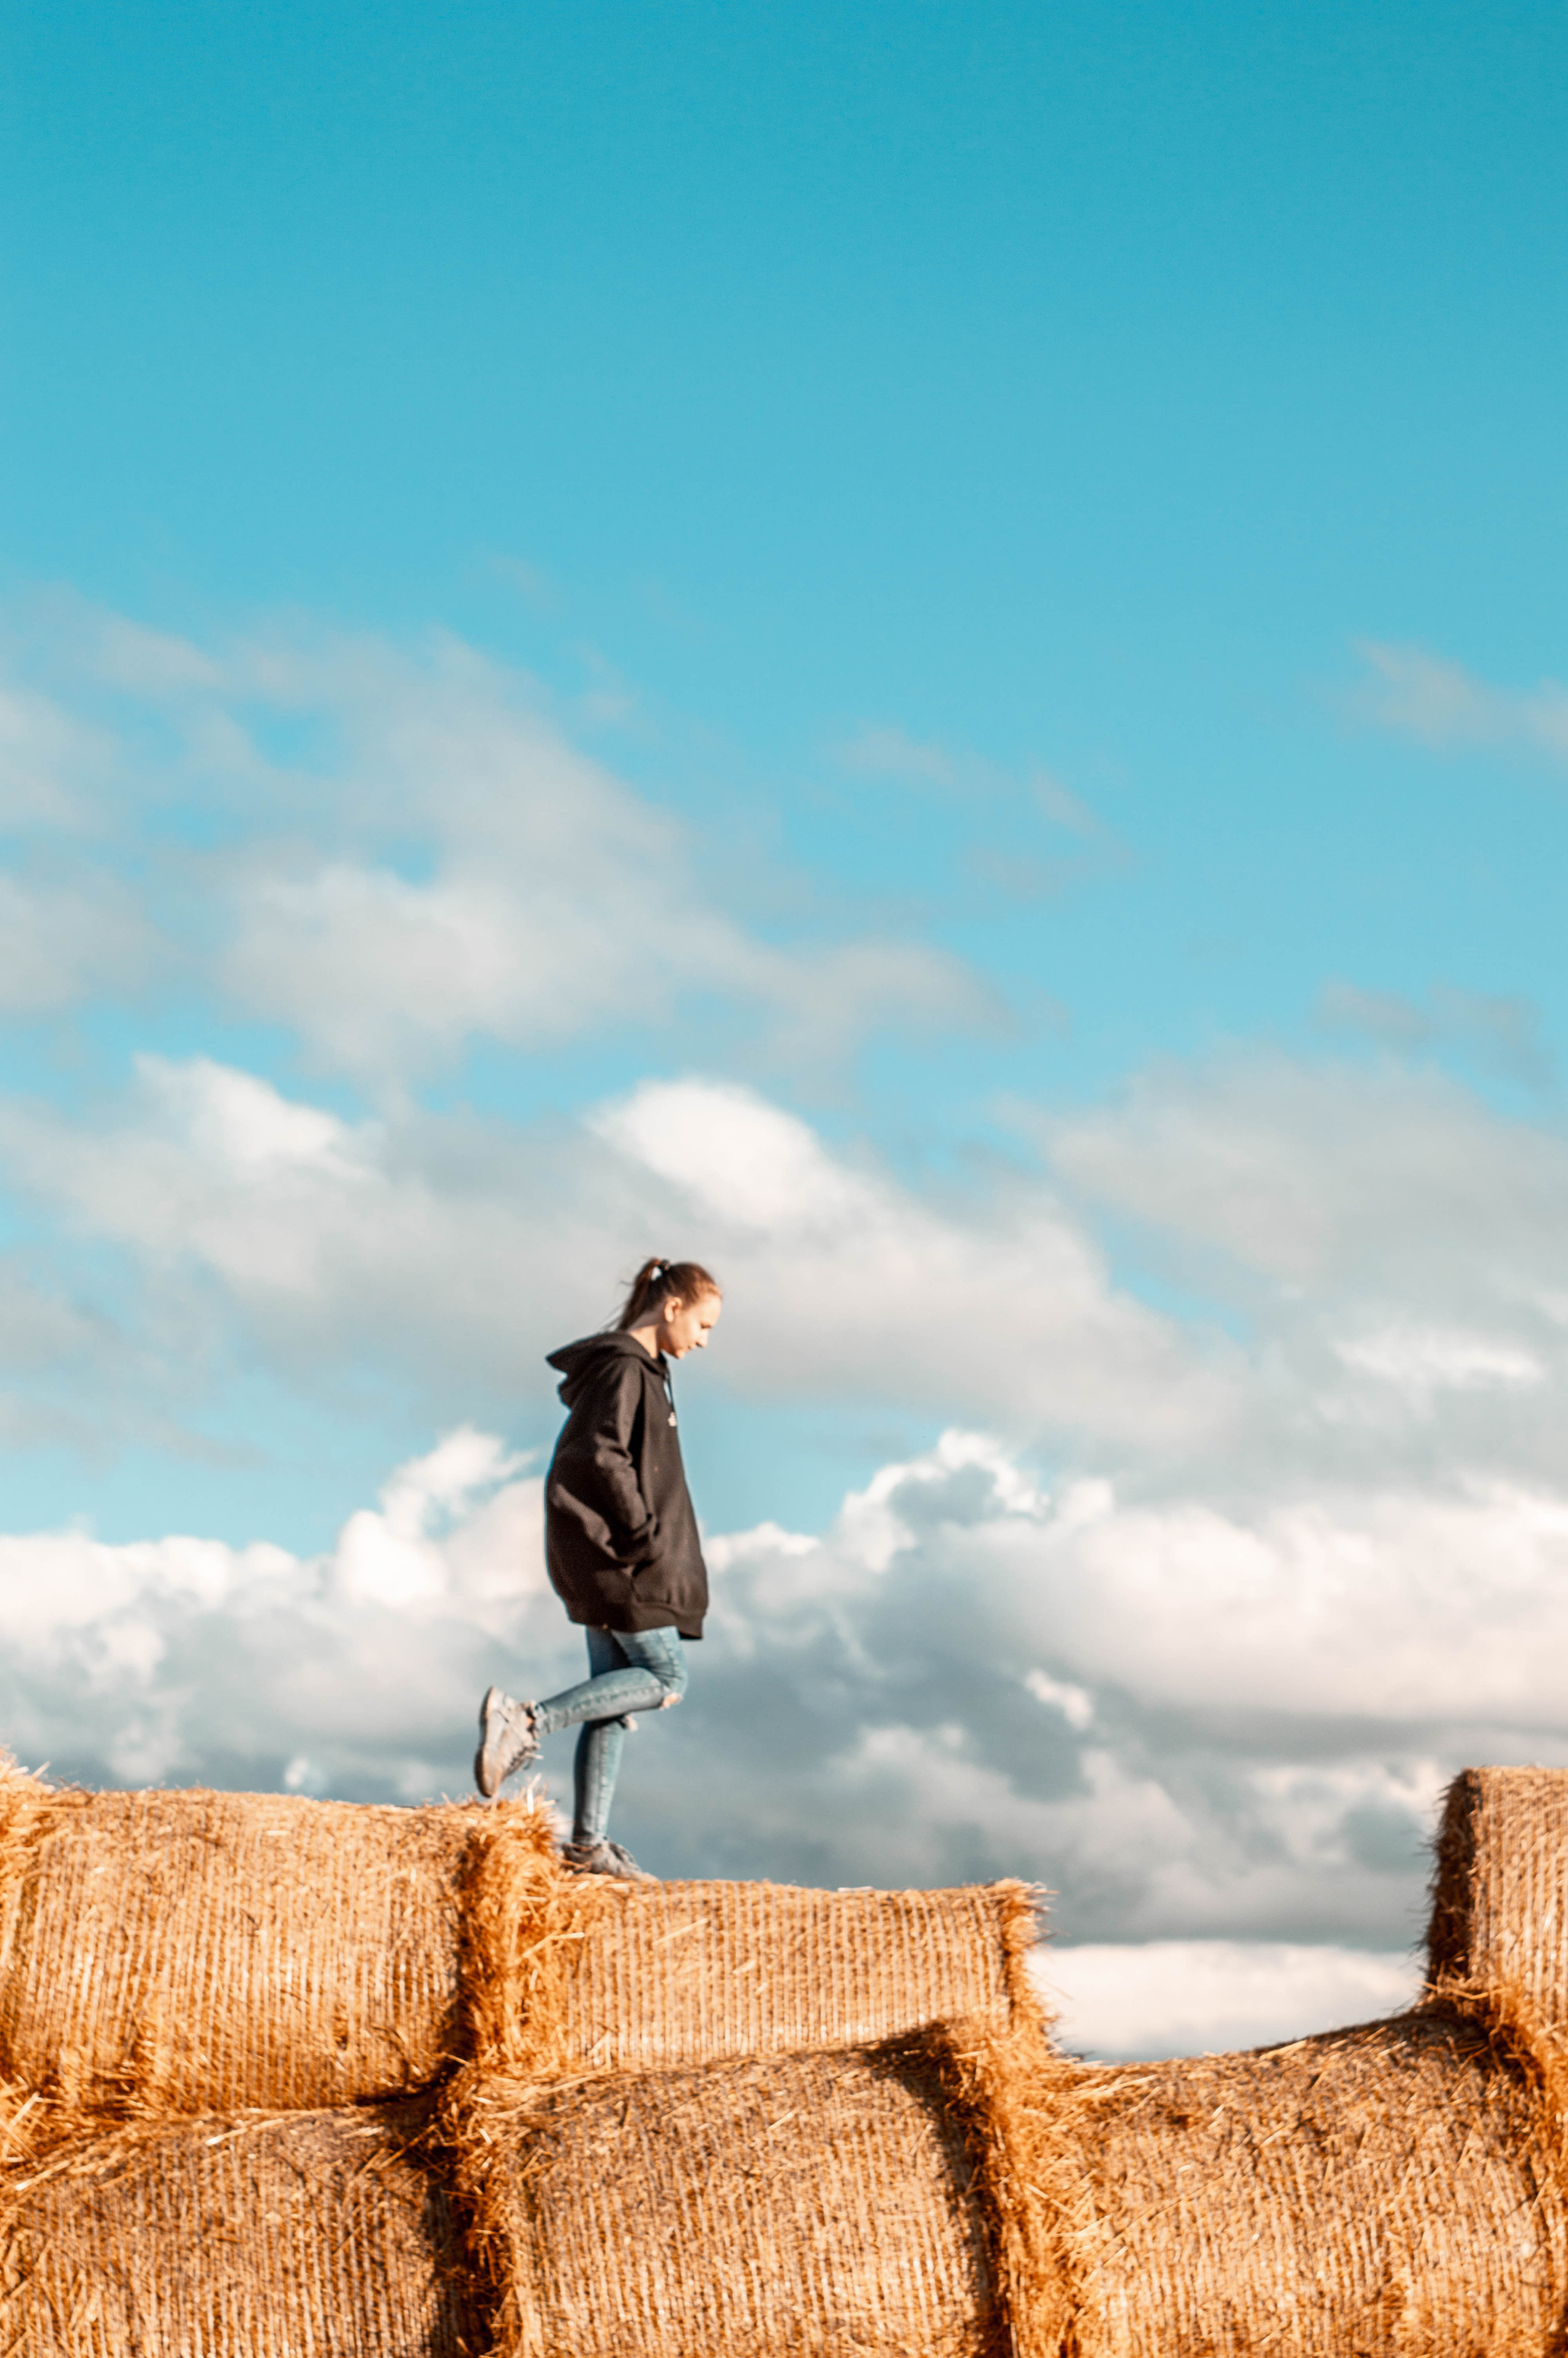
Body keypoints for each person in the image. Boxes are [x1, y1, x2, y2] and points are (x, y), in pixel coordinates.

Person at [474, 1257, 723, 1879]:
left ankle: (588, 1844)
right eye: (704, 1324)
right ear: (672, 1307)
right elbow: (600, 1456)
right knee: (667, 1678)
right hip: (622, 1559)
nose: (703, 1340)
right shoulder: (623, 1370)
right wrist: (641, 1533)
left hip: (616, 1557)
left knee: (612, 1702)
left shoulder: (643, 1373)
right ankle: (525, 1719)